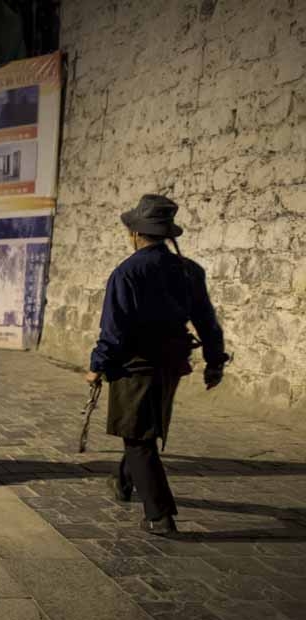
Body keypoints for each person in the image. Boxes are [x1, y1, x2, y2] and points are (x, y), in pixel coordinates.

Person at [86, 194, 228, 536]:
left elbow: (114, 329)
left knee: (137, 437)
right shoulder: (189, 270)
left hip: (135, 366)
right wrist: (214, 362)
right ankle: (122, 482)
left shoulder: (127, 272)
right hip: (172, 364)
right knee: (141, 427)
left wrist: (97, 365)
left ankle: (159, 515)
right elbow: (207, 321)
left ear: (135, 233)